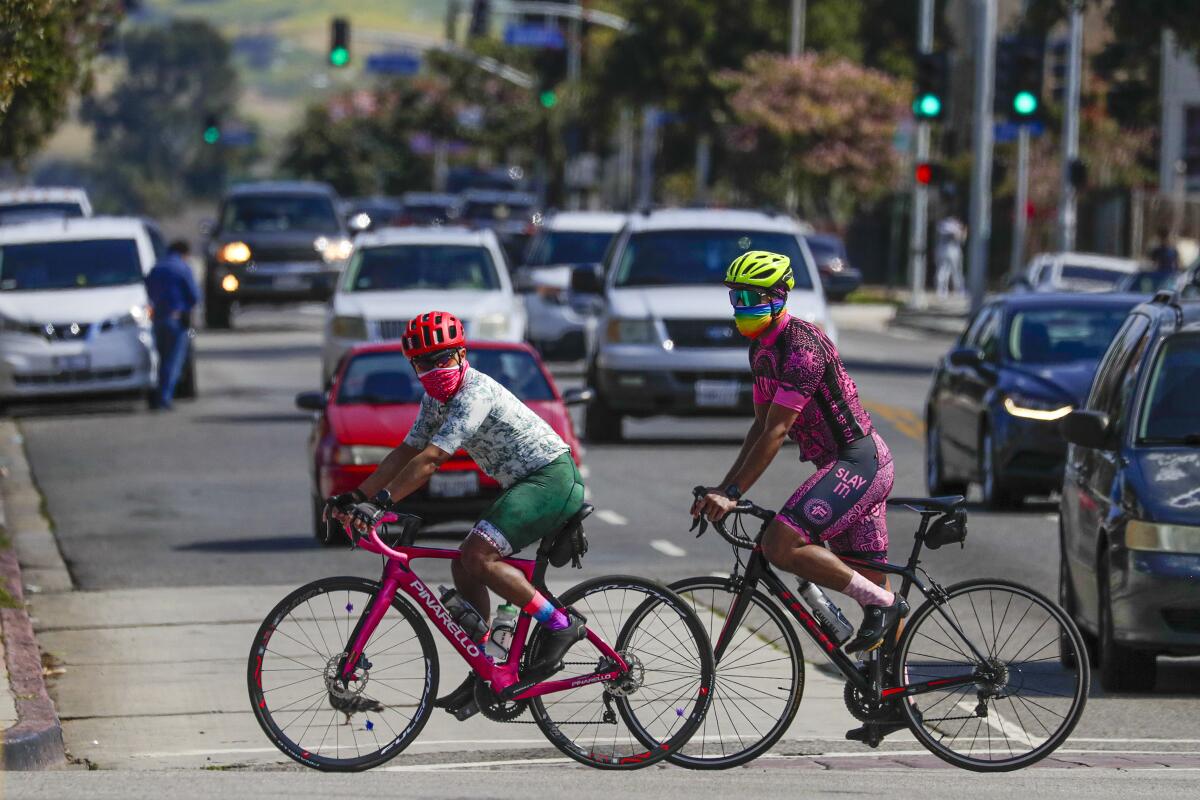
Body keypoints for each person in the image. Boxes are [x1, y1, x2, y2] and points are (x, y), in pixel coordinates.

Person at [328, 310, 587, 717]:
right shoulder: (436, 398)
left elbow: (431, 460)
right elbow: (408, 450)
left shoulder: (474, 392)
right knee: (464, 567)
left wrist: (381, 503)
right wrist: (356, 494)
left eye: (443, 358)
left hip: (549, 477)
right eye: (424, 362)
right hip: (523, 483)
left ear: (462, 353)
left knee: (478, 555)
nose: (435, 369)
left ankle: (559, 624)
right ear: (413, 366)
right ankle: (485, 668)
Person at [692, 251, 905, 740]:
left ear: (778, 299)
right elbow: (760, 426)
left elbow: (779, 431)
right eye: (734, 297)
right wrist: (724, 489)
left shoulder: (802, 346)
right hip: (842, 466)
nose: (739, 306)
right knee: (871, 585)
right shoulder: (761, 350)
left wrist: (734, 492)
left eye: (748, 298)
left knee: (781, 544)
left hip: (858, 462)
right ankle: (896, 704)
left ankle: (884, 611)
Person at [144, 240, 199, 410]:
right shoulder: (183, 268)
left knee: (161, 359)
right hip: (176, 320)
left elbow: (148, 289)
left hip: (158, 320)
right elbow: (194, 295)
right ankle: (164, 398)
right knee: (173, 361)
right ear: (184, 253)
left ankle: (157, 394)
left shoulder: (156, 268)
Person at [934, 216, 966, 299]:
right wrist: (962, 231)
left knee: (943, 271)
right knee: (956, 272)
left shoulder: (942, 225)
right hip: (953, 251)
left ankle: (942, 291)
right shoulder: (955, 226)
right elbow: (960, 238)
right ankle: (959, 291)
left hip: (943, 250)